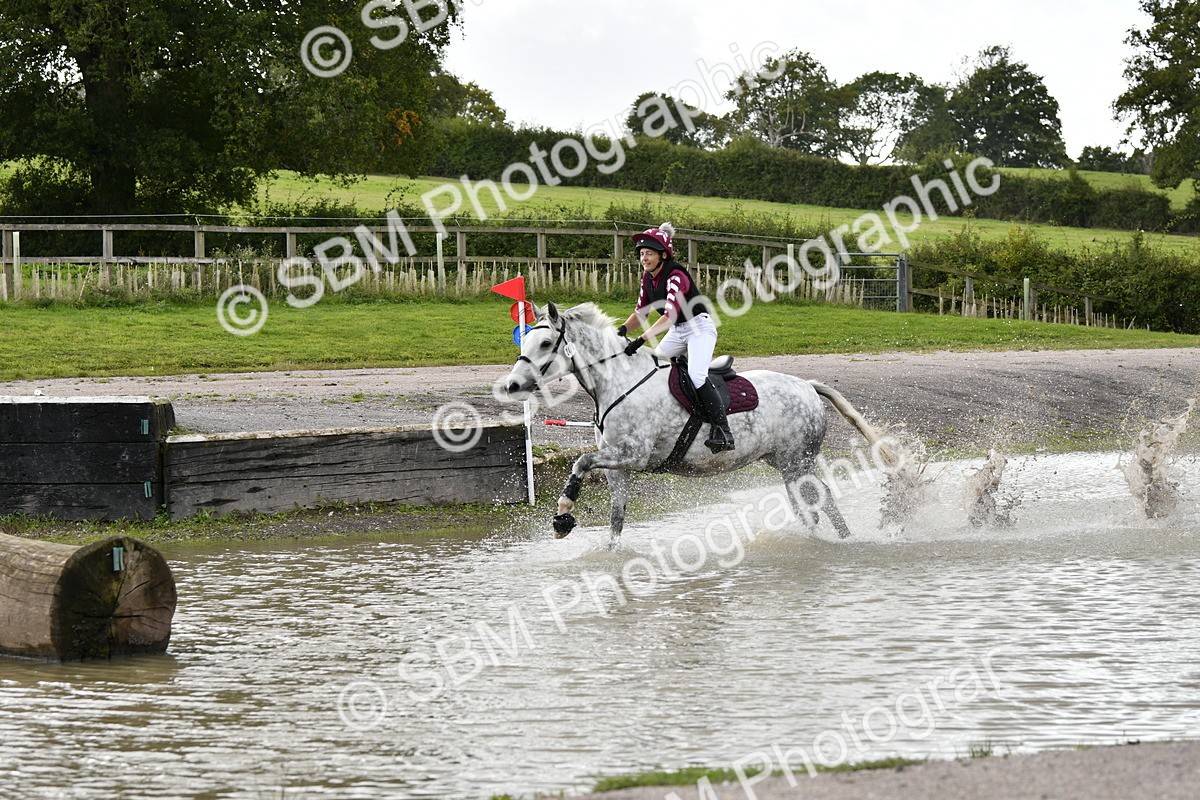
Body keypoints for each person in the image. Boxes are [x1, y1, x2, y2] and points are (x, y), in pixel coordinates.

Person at [617, 222, 734, 453]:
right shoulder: (647, 278)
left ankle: (723, 431)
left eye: (649, 254)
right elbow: (640, 314)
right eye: (641, 254)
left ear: (663, 255)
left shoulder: (676, 275)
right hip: (678, 330)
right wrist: (621, 330)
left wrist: (641, 340)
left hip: (699, 328)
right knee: (653, 370)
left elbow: (669, 316)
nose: (644, 258)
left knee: (697, 375)